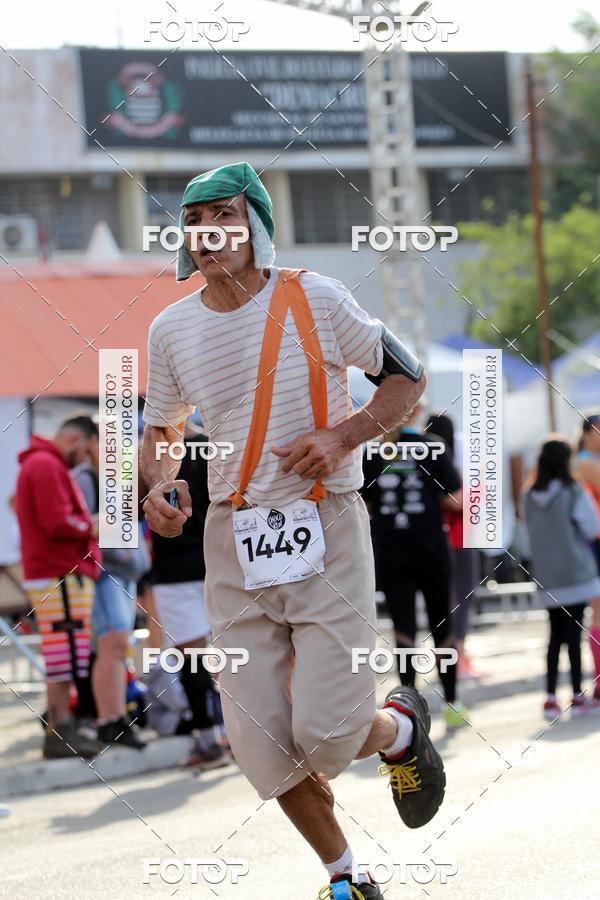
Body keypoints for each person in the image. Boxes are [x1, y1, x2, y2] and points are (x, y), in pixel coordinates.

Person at [141, 161, 444, 900]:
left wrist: (343, 436)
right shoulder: (170, 328)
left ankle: (399, 729)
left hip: (325, 522)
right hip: (230, 536)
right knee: (258, 741)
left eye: (224, 215)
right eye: (194, 220)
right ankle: (347, 877)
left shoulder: (317, 297)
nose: (208, 231)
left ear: (256, 226)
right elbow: (162, 429)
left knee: (329, 731)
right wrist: (157, 484)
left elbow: (407, 378)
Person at [362, 404, 467, 729]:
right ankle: (452, 703)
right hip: (431, 546)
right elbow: (455, 498)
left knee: (403, 628)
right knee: (442, 623)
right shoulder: (432, 446)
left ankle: (409, 707)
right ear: (416, 410)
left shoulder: (372, 452)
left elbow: (362, 503)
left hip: (390, 549)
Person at [15, 415, 103, 758]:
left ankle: (60, 727)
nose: (85, 460)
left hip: (58, 572)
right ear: (77, 441)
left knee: (64, 654)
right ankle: (59, 729)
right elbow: (57, 522)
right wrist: (91, 526)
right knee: (64, 655)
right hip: (60, 573)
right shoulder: (45, 464)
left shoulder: (41, 463)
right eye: (87, 451)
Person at [149, 418, 228, 768]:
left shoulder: (148, 456)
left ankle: (211, 741)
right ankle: (240, 737)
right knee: (233, 654)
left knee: (194, 658)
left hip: (178, 571)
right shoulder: (216, 446)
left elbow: (119, 516)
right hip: (219, 563)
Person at [73, 429, 146, 749]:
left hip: (125, 571)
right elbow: (80, 524)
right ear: (91, 444)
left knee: (118, 645)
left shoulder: (117, 478)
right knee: (112, 643)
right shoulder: (85, 478)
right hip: (104, 572)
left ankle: (116, 718)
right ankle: (109, 720)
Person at [524, 437, 600, 719]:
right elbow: (591, 527)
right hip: (575, 571)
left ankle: (550, 696)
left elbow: (529, 537)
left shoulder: (528, 495)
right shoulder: (573, 490)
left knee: (555, 635)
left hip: (546, 575)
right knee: (574, 635)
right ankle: (578, 695)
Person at [426, 412, 480, 679]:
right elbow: (458, 501)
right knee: (461, 597)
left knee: (445, 600)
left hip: (438, 539)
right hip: (459, 539)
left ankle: (454, 656)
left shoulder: (427, 460)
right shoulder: (450, 463)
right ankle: (456, 657)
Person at [572, 411, 600, 702]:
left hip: (591, 544)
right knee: (598, 612)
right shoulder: (587, 463)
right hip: (595, 544)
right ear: (588, 432)